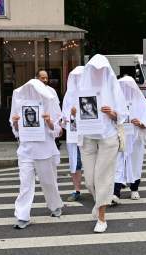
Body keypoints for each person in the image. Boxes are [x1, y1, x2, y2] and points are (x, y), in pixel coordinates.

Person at [76, 54, 128, 233]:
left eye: (101, 70)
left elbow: (122, 115)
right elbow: (73, 114)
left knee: (103, 178)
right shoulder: (82, 87)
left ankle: (101, 218)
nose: (97, 73)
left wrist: (112, 113)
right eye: (94, 70)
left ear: (106, 71)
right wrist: (75, 112)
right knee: (90, 180)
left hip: (108, 136)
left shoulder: (113, 86)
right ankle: (98, 203)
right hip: (88, 136)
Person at [10, 78, 64, 229]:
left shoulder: (50, 101)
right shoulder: (20, 101)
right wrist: (15, 122)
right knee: (25, 184)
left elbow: (58, 131)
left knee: (49, 182)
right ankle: (22, 216)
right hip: (26, 150)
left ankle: (55, 206)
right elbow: (16, 131)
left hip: (45, 150)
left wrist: (49, 122)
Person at [112, 76, 146, 204]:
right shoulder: (116, 101)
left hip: (135, 139)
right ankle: (116, 192)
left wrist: (141, 123)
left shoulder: (140, 101)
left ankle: (134, 189)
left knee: (136, 163)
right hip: (120, 137)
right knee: (118, 164)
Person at [62, 66, 84, 201]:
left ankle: (96, 190)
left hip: (90, 134)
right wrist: (72, 116)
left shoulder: (93, 92)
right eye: (76, 78)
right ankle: (77, 190)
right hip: (74, 135)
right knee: (75, 163)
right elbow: (64, 118)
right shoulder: (68, 95)